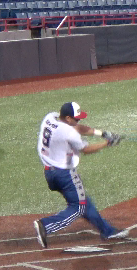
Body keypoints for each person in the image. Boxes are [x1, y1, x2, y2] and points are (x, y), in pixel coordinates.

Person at [33, 101, 128, 247]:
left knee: (83, 201)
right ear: (68, 118)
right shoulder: (69, 133)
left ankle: (108, 231)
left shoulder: (50, 118)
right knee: (79, 207)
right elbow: (86, 149)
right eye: (76, 118)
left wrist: (102, 133)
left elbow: (78, 128)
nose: (79, 120)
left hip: (50, 172)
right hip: (64, 175)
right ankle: (45, 225)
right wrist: (107, 143)